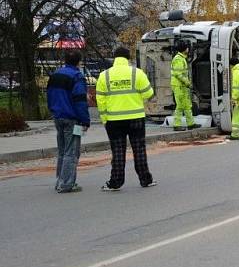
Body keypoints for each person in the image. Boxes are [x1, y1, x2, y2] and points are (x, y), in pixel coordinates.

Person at [96, 46, 157, 191]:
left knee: (117, 151)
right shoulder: (137, 73)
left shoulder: (104, 75)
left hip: (113, 120)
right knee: (139, 150)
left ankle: (115, 182)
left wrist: (105, 119)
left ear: (114, 58)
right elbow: (149, 94)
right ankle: (145, 180)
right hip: (136, 118)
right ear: (128, 58)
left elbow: (100, 100)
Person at [46, 50, 91, 193]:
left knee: (62, 151)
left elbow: (49, 96)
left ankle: (60, 180)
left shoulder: (55, 75)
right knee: (71, 152)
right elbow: (80, 101)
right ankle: (66, 184)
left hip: (58, 116)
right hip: (72, 118)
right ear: (78, 62)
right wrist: (85, 121)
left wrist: (53, 111)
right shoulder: (77, 76)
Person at [171, 39, 198, 131]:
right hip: (179, 86)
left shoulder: (181, 58)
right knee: (180, 106)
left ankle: (191, 124)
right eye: (187, 47)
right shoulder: (178, 59)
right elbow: (178, 74)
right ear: (185, 49)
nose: (188, 49)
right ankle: (177, 125)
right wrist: (187, 83)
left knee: (187, 105)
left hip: (182, 86)